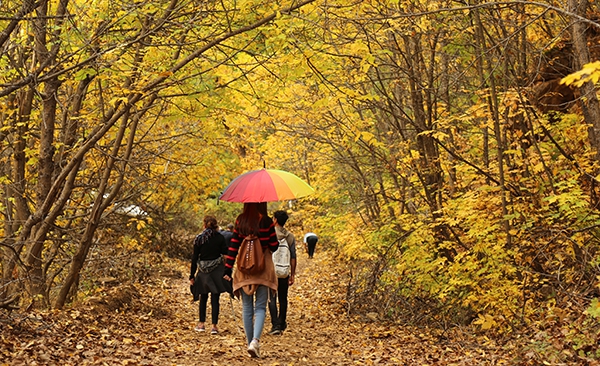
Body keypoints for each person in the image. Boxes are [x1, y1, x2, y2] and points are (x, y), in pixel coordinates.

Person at [223, 202, 279, 358]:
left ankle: (250, 344)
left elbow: (233, 245)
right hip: (263, 269)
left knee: (247, 307)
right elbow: (274, 246)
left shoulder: (241, 220)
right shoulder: (266, 221)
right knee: (260, 307)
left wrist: (228, 268)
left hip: (244, 269)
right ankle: (255, 341)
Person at [189, 215, 232, 335]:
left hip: (203, 272)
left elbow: (194, 258)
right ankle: (214, 326)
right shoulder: (220, 237)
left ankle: (201, 324)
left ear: (204, 225)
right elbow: (225, 255)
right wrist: (227, 271)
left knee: (203, 297)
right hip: (216, 271)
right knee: (215, 298)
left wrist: (192, 275)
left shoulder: (199, 239)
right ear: (216, 225)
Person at [268, 210, 297, 335]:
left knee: (272, 297)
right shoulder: (289, 236)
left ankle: (275, 325)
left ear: (275, 220)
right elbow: (293, 256)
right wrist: (293, 274)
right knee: (283, 297)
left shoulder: (269, 235)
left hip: (271, 271)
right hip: (284, 271)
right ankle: (281, 322)